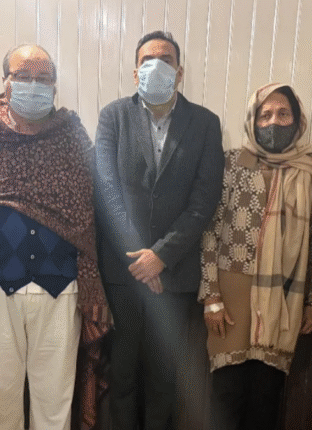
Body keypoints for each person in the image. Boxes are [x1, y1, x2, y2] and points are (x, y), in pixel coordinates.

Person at [0, 44, 110, 430]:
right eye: (23, 77)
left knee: (54, 400)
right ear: (5, 82)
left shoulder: (71, 137)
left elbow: (88, 215)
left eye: (43, 79)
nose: (33, 85)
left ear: (54, 86)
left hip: (59, 286)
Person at [94, 30, 224, 429]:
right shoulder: (113, 116)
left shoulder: (205, 123)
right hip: (124, 275)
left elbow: (204, 200)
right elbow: (107, 192)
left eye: (165, 60)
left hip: (175, 274)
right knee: (123, 374)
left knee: (164, 379)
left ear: (179, 72)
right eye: (146, 61)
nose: (156, 66)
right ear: (135, 73)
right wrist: (141, 260)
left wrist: (161, 256)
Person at [199, 83, 312, 429]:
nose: (274, 122)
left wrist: (310, 302)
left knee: (266, 395)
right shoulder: (230, 163)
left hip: (283, 299)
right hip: (230, 298)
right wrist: (211, 296)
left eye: (283, 114)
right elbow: (210, 229)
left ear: (298, 120)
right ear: (252, 121)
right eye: (265, 115)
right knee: (226, 394)